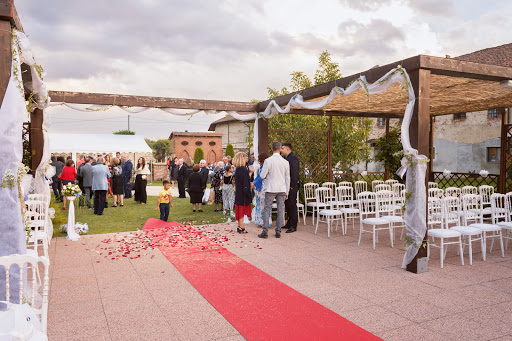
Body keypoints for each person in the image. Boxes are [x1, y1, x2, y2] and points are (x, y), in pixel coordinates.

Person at [259, 142, 290, 239]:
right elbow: (287, 178)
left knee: (267, 209)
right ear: (280, 149)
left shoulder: (268, 161)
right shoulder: (285, 162)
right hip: (281, 189)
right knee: (281, 210)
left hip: (271, 188)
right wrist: (287, 191)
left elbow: (262, 176)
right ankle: (278, 232)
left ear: (272, 149)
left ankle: (265, 231)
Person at [281, 142, 300, 233]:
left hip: (292, 186)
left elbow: (295, 173)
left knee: (292, 205)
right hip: (287, 186)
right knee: (287, 205)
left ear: (287, 149)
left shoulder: (293, 158)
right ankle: (289, 222)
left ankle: (293, 225)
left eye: (282, 148)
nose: (281, 150)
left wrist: (292, 186)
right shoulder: (287, 158)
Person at [233, 152, 252, 234]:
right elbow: (245, 182)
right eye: (245, 157)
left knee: (240, 209)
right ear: (241, 158)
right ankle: (241, 227)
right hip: (243, 192)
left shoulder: (238, 169)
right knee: (241, 209)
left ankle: (240, 226)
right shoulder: (244, 169)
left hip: (239, 191)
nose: (247, 158)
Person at [252, 153, 269, 227]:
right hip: (260, 186)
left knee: (263, 204)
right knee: (260, 204)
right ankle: (260, 221)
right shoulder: (261, 167)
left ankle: (264, 222)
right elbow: (258, 176)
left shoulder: (266, 167)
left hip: (264, 186)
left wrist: (254, 183)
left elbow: (261, 177)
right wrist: (254, 182)